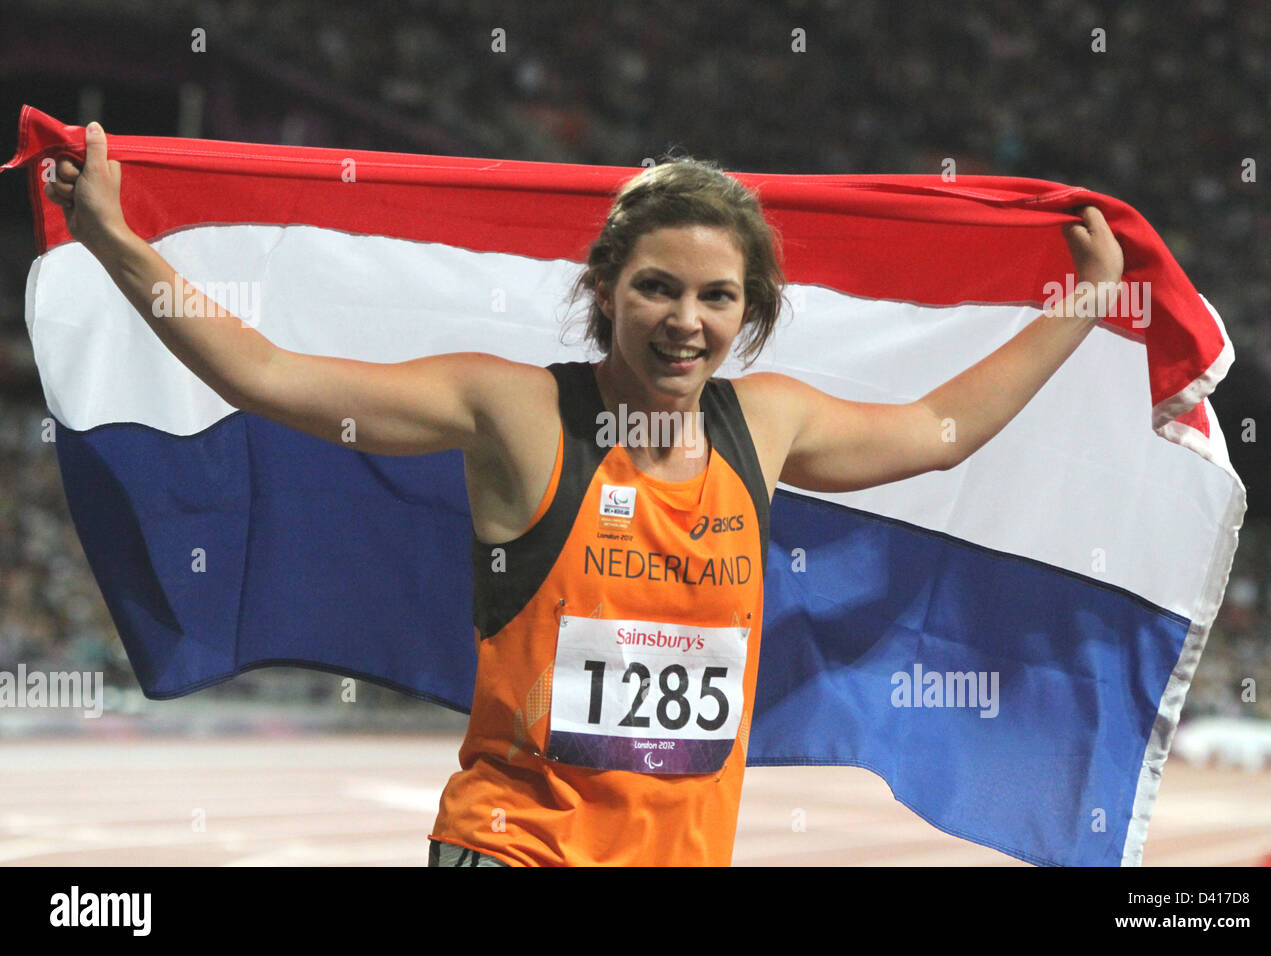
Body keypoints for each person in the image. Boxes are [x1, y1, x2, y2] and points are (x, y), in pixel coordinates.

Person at [45, 122, 1124, 867]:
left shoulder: (767, 424)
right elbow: (270, 376)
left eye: (716, 295)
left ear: (747, 316)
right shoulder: (518, 413)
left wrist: (1077, 307)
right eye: (656, 284)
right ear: (604, 289)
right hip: (514, 846)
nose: (684, 317)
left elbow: (940, 435)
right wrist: (115, 240)